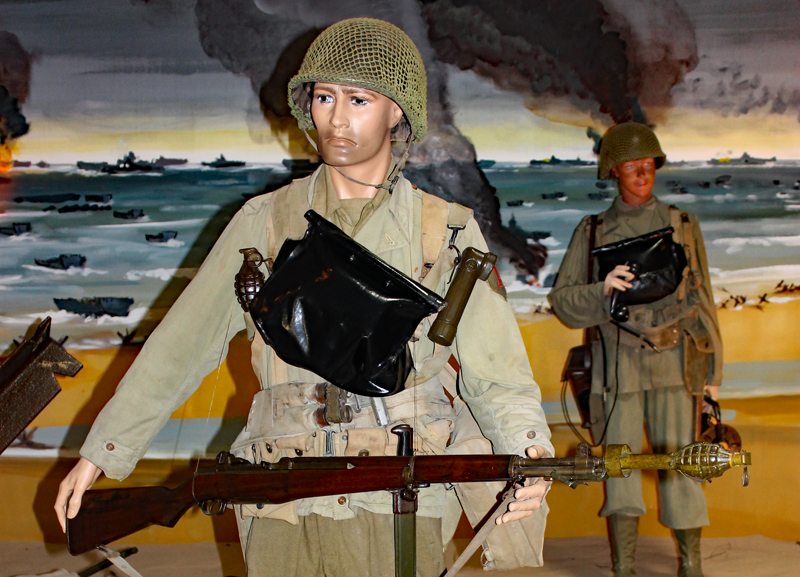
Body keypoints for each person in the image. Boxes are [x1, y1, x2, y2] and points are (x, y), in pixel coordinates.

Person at [55, 18, 553, 577]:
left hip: (397, 490)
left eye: (359, 99)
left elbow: (497, 372)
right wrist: (104, 452)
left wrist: (529, 450)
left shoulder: (447, 231)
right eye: (324, 97)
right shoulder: (265, 222)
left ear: (397, 112)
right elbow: (181, 347)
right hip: (278, 488)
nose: (336, 119)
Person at [548, 122, 722, 577]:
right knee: (619, 469)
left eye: (648, 163)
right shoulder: (593, 230)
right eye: (631, 165)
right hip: (617, 366)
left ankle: (691, 565)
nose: (642, 173)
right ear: (614, 170)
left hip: (674, 362)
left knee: (683, 466)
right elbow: (563, 301)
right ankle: (623, 567)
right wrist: (602, 289)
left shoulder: (682, 225)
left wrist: (713, 376)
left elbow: (702, 300)